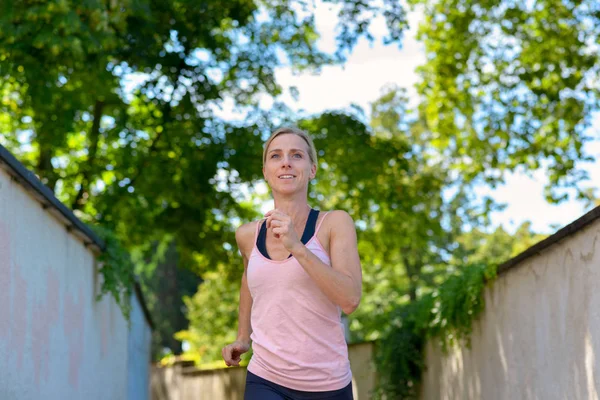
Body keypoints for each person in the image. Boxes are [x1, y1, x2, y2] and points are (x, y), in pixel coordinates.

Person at [221, 127, 363, 400]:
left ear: (312, 169)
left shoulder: (335, 223)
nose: (286, 162)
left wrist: (297, 247)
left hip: (328, 383)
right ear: (265, 171)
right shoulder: (247, 235)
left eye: (296, 155)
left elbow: (350, 299)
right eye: (276, 156)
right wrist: (242, 337)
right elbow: (249, 283)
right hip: (266, 377)